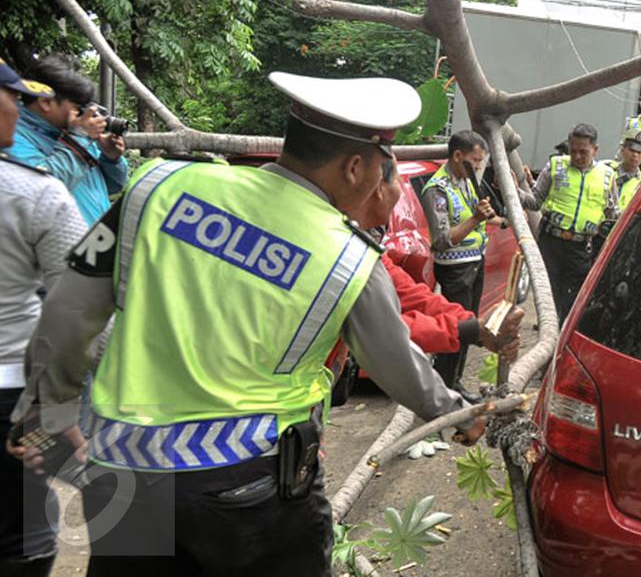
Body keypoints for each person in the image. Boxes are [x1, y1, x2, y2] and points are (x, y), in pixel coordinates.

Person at [9, 71, 485, 575]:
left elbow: (67, 313)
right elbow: (397, 364)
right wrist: (459, 412)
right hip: (251, 490)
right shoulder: (346, 257)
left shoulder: (159, 187)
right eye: (380, 169)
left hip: (125, 471)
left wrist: (49, 409)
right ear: (353, 167)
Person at [0, 58, 81, 577]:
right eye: (15, 98)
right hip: (16, 395)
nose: (20, 109)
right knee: (25, 536)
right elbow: (81, 300)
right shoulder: (33, 189)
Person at [356, 166, 522, 360]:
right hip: (456, 265)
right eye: (395, 179)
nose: (400, 187)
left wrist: (477, 327)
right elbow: (384, 329)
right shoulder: (437, 189)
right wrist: (474, 329)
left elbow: (412, 295)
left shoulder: (467, 186)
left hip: (474, 260)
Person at [420, 130, 500, 398]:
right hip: (455, 269)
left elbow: (477, 216)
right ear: (457, 156)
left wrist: (493, 218)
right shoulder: (437, 189)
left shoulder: (465, 180)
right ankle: (443, 387)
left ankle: (454, 381)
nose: (478, 167)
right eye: (475, 160)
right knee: (457, 329)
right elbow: (441, 240)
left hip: (474, 262)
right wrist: (476, 219)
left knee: (468, 326)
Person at [6, 55, 128, 225]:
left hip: (93, 243)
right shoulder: (10, 137)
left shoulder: (75, 132)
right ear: (46, 102)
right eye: (78, 108)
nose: (85, 114)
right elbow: (39, 192)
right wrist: (78, 142)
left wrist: (111, 158)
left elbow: (114, 187)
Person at [519, 123, 616, 321]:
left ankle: (561, 344)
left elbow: (613, 212)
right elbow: (535, 201)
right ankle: (548, 342)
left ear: (595, 150)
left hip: (581, 249)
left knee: (572, 304)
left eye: (583, 152)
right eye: (573, 151)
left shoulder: (607, 175)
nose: (577, 157)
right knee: (548, 301)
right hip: (551, 244)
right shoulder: (556, 165)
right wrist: (512, 189)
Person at [605, 130, 641, 215]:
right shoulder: (607, 170)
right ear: (622, 150)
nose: (635, 155)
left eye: (639, 152)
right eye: (632, 150)